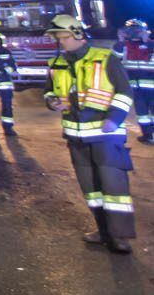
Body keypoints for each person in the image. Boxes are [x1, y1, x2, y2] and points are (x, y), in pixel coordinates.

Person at [43, 13, 136, 254]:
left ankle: (119, 237)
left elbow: (125, 92)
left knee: (114, 188)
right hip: (76, 137)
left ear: (77, 34)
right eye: (57, 38)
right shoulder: (57, 64)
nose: (59, 42)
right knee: (91, 189)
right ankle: (103, 231)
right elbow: (49, 92)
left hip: (106, 136)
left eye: (62, 37)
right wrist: (52, 102)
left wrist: (114, 120)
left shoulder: (105, 58)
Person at [112, 17, 154, 145]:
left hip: (152, 87)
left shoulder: (151, 45)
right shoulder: (123, 46)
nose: (133, 33)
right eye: (130, 30)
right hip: (134, 88)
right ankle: (147, 135)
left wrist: (147, 42)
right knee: (142, 114)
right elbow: (114, 59)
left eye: (137, 30)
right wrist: (120, 41)